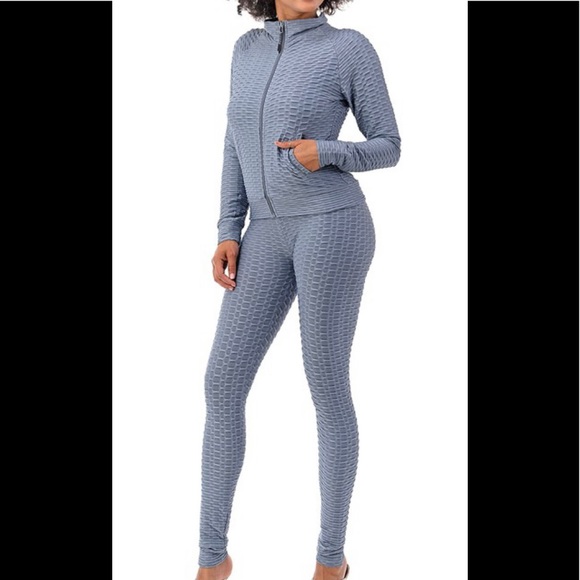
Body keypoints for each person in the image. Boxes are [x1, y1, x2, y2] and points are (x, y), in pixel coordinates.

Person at [197, 0, 401, 578]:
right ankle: (213, 558)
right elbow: (235, 143)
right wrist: (227, 230)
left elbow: (389, 143)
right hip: (263, 232)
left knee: (325, 382)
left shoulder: (348, 47)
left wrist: (327, 151)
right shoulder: (246, 50)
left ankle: (330, 560)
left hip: (332, 224)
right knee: (221, 382)